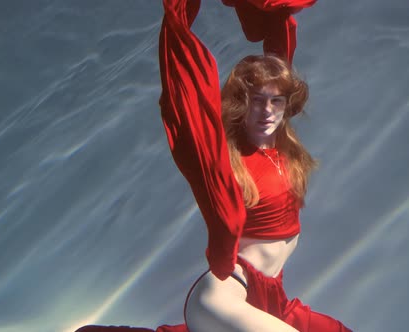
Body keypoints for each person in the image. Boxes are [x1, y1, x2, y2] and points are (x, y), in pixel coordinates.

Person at [76, 0, 351, 331]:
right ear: (241, 105)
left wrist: (273, 11)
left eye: (275, 101)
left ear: (286, 106)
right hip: (225, 293)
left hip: (272, 293)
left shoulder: (281, 145)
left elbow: (281, 54)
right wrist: (178, 23)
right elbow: (185, 104)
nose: (267, 111)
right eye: (256, 101)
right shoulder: (227, 158)